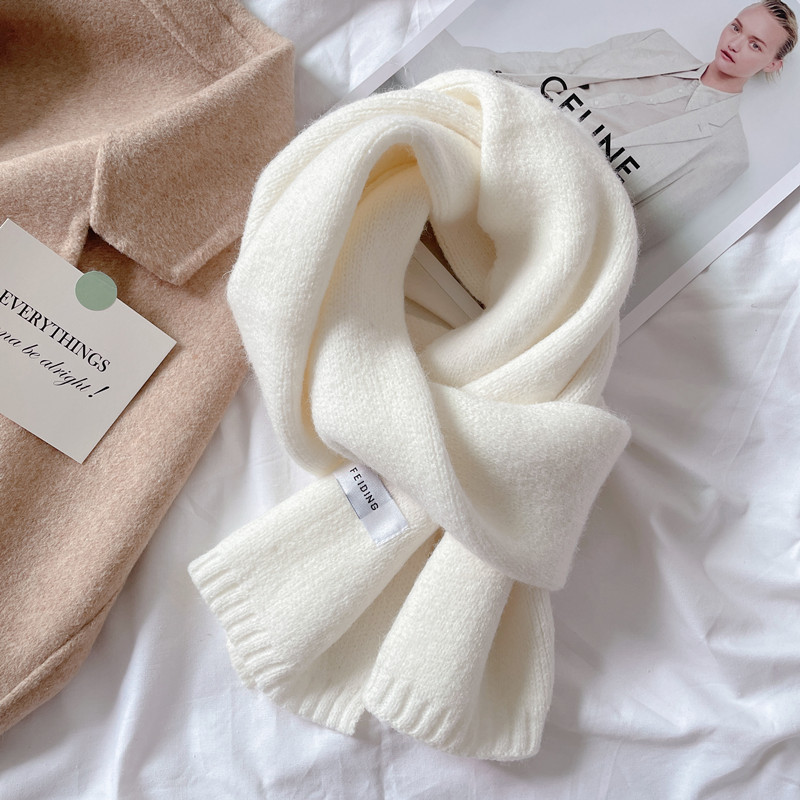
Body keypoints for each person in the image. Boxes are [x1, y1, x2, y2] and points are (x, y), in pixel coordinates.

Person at [399, 1, 798, 249]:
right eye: (736, 27)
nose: (735, 43)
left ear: (773, 63)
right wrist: (484, 68)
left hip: (552, 189)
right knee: (410, 39)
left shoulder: (727, 151)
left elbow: (641, 229)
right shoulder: (657, 44)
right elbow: (561, 65)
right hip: (516, 111)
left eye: (756, 45)